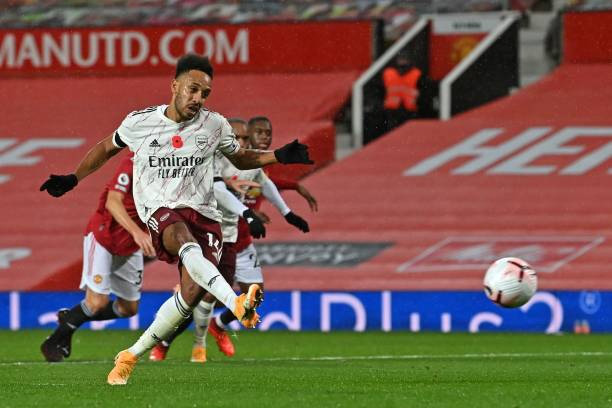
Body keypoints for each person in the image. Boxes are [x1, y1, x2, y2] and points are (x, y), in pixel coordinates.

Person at [39, 54, 313, 385]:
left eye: (205, 93)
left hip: (205, 216)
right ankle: (236, 303)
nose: (198, 98)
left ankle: (130, 356)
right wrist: (73, 177)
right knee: (181, 237)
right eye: (193, 89)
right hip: (161, 211)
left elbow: (241, 158)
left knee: (189, 297)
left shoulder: (215, 125)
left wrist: (279, 155)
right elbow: (105, 148)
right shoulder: (140, 123)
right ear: (175, 86)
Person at [149, 118, 311, 362]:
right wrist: (247, 213)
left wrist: (288, 213)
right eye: (238, 137)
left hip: (232, 237)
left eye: (246, 138)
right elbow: (219, 190)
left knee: (236, 295)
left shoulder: (250, 159)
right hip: (205, 233)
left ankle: (211, 330)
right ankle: (167, 342)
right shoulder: (212, 157)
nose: (242, 142)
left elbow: (265, 184)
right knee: (195, 296)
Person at [40, 152, 155, 362]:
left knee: (129, 309)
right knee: (96, 303)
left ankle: (72, 318)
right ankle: (53, 342)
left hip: (129, 246)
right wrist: (138, 232)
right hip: (104, 236)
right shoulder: (134, 163)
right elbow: (113, 202)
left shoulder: (172, 171)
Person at [382, 55, 422, 132]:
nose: (402, 62)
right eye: (401, 59)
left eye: (404, 59)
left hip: (409, 112)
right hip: (392, 113)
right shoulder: (388, 73)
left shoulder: (417, 75)